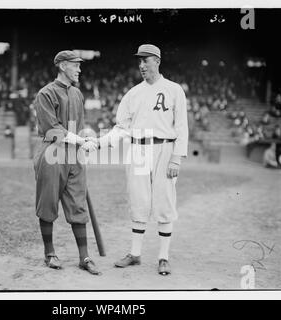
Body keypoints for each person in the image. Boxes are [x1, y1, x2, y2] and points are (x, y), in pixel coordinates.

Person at [90, 44, 189, 275]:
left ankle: (163, 257)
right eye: (139, 61)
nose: (141, 65)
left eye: (146, 60)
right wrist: (98, 142)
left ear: (157, 61)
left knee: (164, 201)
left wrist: (177, 158)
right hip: (138, 149)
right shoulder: (132, 94)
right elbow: (121, 128)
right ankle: (135, 254)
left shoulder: (174, 90)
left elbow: (182, 127)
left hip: (164, 148)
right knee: (138, 200)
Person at [33, 50, 100, 275]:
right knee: (48, 204)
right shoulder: (45, 93)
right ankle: (50, 253)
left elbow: (79, 126)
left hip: (74, 156)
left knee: (78, 206)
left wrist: (85, 138)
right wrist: (80, 140)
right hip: (52, 153)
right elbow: (52, 129)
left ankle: (84, 257)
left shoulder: (78, 94)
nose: (79, 69)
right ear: (62, 66)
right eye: (75, 65)